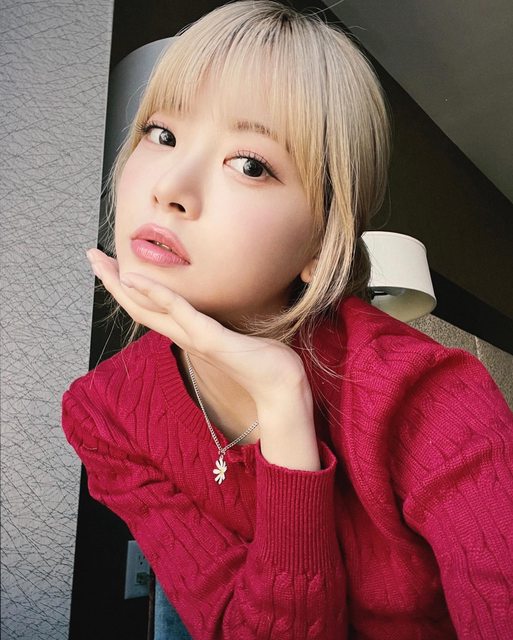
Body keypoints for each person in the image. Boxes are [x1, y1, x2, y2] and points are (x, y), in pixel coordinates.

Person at [62, 2, 513, 638]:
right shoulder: (104, 414)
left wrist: (283, 393)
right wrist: (281, 408)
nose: (170, 187)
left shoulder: (430, 396)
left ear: (321, 244)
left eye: (250, 164)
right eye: (161, 134)